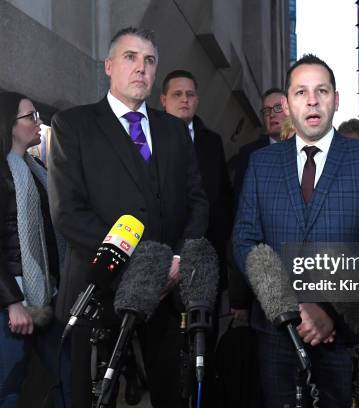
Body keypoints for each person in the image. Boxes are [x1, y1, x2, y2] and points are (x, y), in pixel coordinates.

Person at [48, 27, 208, 408]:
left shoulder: (174, 130)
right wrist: (143, 264)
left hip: (165, 295)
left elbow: (198, 202)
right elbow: (69, 213)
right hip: (98, 291)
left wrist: (178, 259)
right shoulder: (73, 126)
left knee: (168, 393)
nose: (141, 68)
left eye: (149, 60)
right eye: (130, 57)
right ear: (108, 66)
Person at [232, 54, 359, 408]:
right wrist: (288, 305)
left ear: (335, 100)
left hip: (343, 333)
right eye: (301, 92)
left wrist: (327, 308)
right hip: (276, 329)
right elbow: (245, 239)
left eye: (321, 90)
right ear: (287, 104)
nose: (311, 100)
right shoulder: (261, 163)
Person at [0, 92, 70, 407]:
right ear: (9, 124)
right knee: (6, 391)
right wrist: (13, 304)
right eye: (31, 116)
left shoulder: (34, 167)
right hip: (5, 307)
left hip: (45, 296)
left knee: (67, 375)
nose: (38, 123)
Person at [160, 69, 234, 292]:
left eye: (190, 95)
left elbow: (222, 197)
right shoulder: (148, 138)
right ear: (163, 100)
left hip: (205, 253)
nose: (185, 99)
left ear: (197, 100)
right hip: (162, 254)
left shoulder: (212, 142)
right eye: (177, 94)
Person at [230, 87, 288, 319]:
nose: (271, 115)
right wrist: (239, 297)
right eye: (266, 111)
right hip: (263, 276)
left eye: (277, 108)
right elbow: (240, 223)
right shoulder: (250, 156)